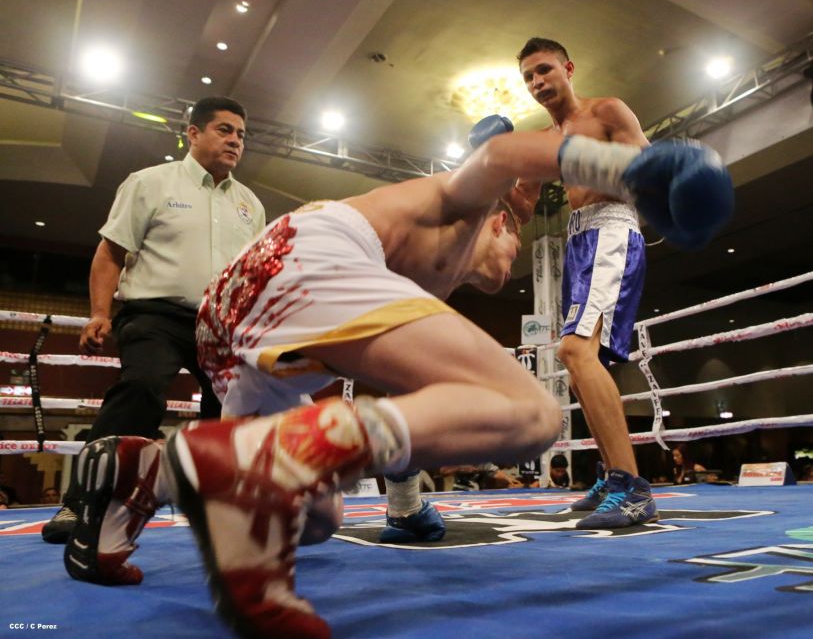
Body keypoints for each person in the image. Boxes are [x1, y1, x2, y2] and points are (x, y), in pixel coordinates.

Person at [62, 118, 733, 637]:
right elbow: (499, 158)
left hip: (232, 308)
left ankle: (143, 471)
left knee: (315, 516)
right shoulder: (466, 207)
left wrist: (404, 503)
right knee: (529, 414)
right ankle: (242, 458)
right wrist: (633, 166)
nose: (513, 262)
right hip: (306, 255)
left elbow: (401, 409)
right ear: (500, 220)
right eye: (514, 243)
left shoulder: (406, 293)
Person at [42, 96, 267, 544]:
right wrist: (100, 313)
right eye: (224, 130)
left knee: (235, 408)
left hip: (222, 325)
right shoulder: (150, 183)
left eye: (241, 134)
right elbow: (110, 252)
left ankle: (221, 503)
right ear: (194, 133)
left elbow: (254, 276)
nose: (235, 141)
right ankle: (84, 500)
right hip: (155, 314)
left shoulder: (251, 205)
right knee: (142, 388)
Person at [518, 37, 654, 529]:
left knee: (576, 351)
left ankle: (632, 486)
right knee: (578, 362)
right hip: (577, 242)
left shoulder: (607, 111)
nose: (537, 83)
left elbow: (649, 172)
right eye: (529, 77)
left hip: (614, 228)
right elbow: (522, 205)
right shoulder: (542, 139)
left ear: (568, 68)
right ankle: (612, 477)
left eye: (544, 70)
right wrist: (493, 175)